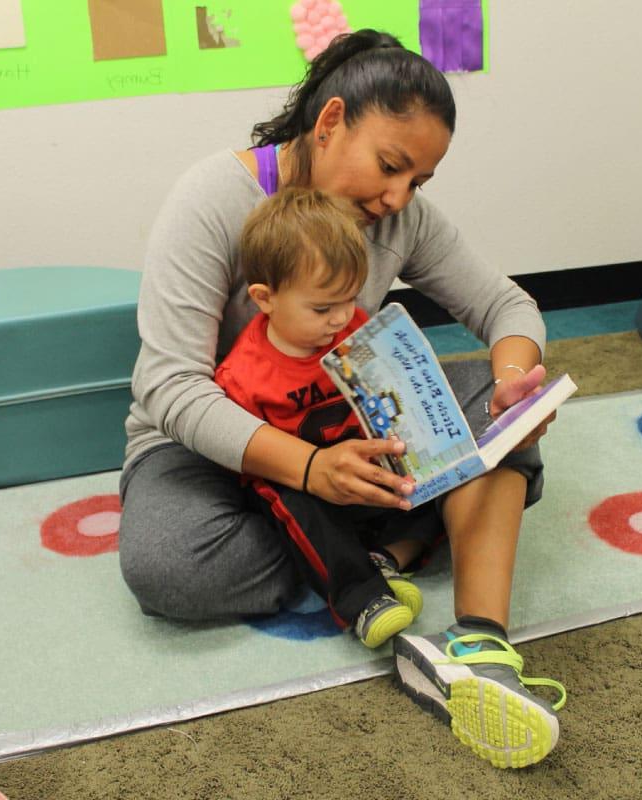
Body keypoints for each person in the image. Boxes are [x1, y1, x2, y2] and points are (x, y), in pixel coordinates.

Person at [120, 29, 566, 768]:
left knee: (501, 409)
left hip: (352, 426)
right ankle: (402, 540)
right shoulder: (212, 197)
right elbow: (170, 386)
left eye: (418, 180)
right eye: (391, 166)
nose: (397, 197)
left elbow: (506, 307)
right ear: (329, 124)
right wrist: (308, 470)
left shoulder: (397, 216)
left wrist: (517, 375)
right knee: (168, 568)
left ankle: (480, 645)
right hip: (214, 448)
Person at [214, 186, 430, 649]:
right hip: (300, 482)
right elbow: (245, 459)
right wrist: (309, 472)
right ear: (264, 298)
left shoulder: (354, 330)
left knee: (439, 481)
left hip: (365, 467)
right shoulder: (243, 374)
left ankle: (386, 558)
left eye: (348, 300)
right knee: (293, 503)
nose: (339, 319)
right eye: (321, 308)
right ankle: (363, 598)